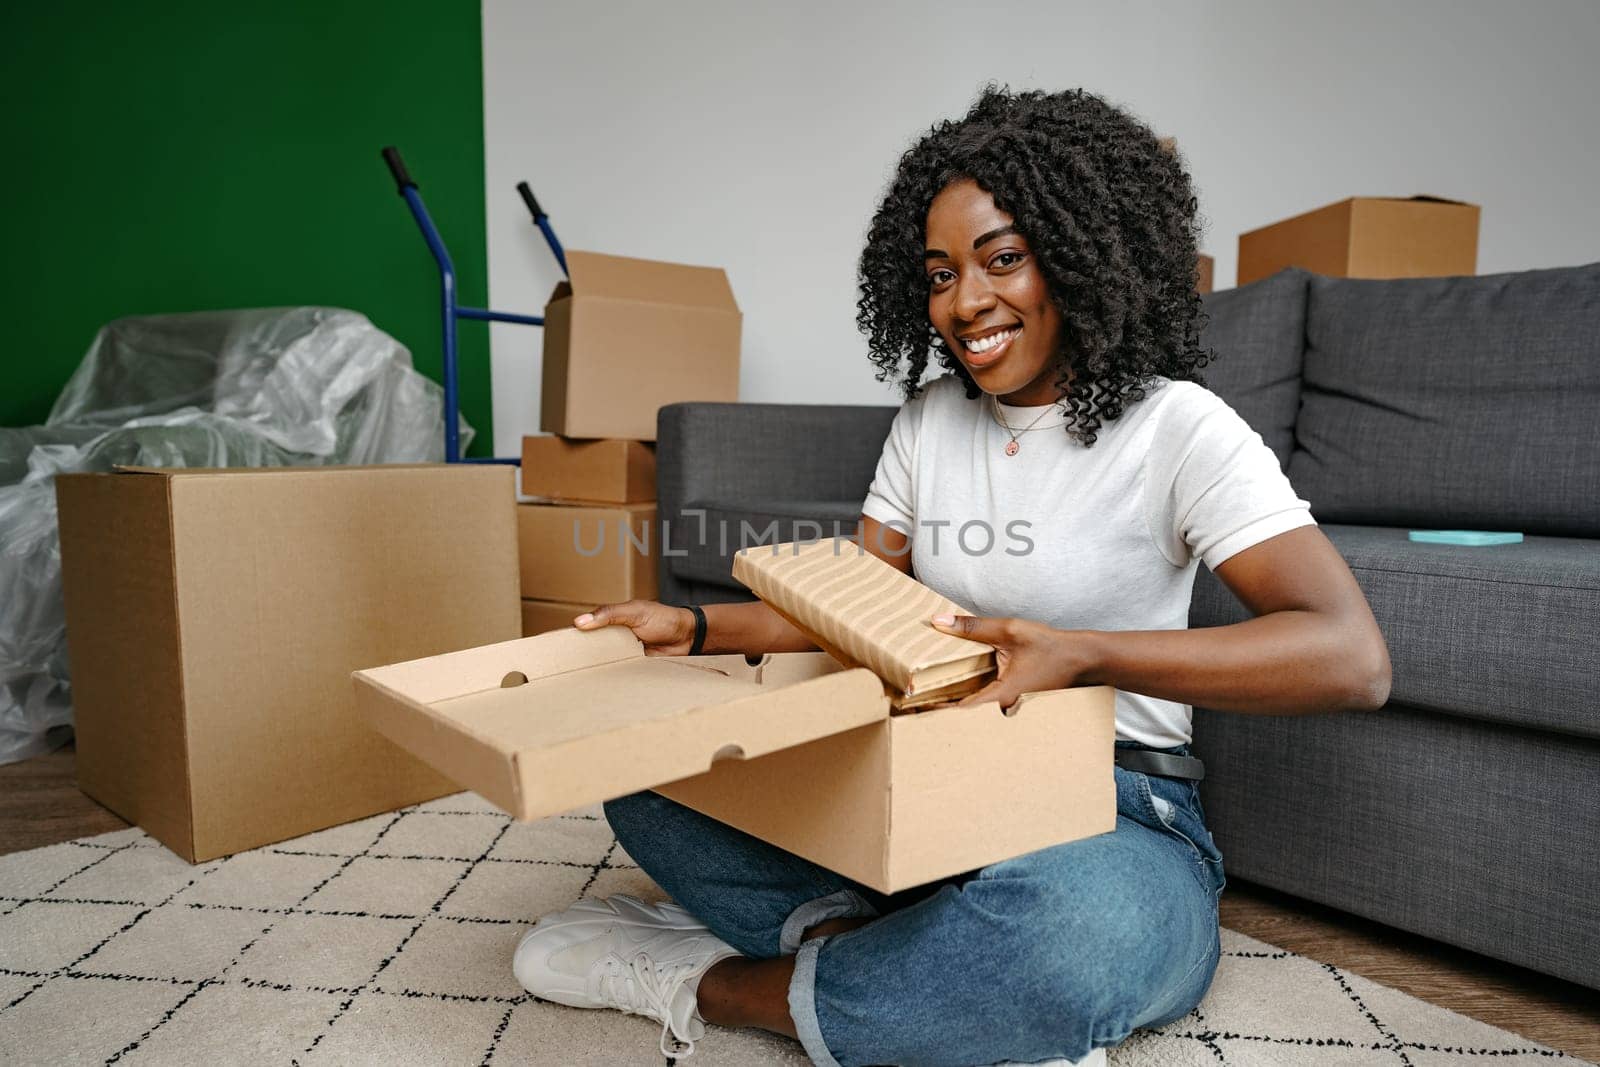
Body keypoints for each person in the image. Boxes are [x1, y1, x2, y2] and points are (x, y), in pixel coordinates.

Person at [510, 87, 1391, 1066]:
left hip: (1108, 813)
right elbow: (849, 602)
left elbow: (1348, 656)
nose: (965, 301)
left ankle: (711, 981)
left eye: (1002, 258)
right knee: (637, 768)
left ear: (1085, 252)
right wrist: (699, 629)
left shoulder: (1177, 426)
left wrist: (1085, 653)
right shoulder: (932, 417)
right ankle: (934, 982)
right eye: (939, 273)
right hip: (921, 776)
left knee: (1073, 938)